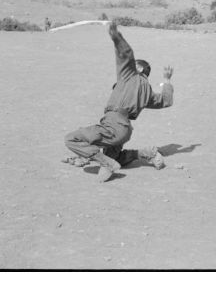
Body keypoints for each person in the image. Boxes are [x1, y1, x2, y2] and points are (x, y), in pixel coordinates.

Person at [64, 21, 174, 182]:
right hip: (125, 130)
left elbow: (126, 54)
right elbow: (166, 100)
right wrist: (167, 80)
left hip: (113, 125)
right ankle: (147, 153)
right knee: (116, 157)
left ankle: (107, 164)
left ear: (139, 69)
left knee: (71, 139)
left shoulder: (130, 75)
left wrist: (116, 36)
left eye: (133, 65)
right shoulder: (148, 92)